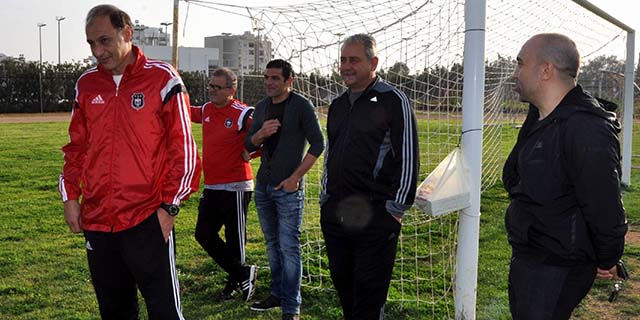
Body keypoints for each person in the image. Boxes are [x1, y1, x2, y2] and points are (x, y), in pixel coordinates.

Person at [58, 4, 201, 320]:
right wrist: (70, 198)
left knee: (164, 312)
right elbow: (75, 149)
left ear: (127, 33)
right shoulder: (86, 84)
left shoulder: (162, 79)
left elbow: (184, 150)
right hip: (97, 222)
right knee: (115, 312)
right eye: (91, 44)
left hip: (146, 219)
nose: (98, 51)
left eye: (105, 41)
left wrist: (169, 208)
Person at [503, 33, 628, 319]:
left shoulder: (585, 129)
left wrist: (608, 256)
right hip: (533, 257)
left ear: (545, 70)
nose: (515, 73)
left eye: (520, 64)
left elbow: (603, 203)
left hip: (556, 266)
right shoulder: (540, 116)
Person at [320, 33, 419, 319]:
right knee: (346, 294)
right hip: (336, 213)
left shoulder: (393, 100)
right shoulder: (338, 105)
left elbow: (408, 156)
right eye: (342, 60)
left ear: (373, 62)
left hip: (376, 216)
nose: (346, 66)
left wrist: (395, 208)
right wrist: (326, 198)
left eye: (354, 60)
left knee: (368, 300)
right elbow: (331, 152)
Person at [245, 59, 325, 320]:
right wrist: (261, 135)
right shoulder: (262, 107)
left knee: (289, 247)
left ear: (289, 81)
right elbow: (248, 145)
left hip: (288, 189)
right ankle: (277, 294)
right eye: (266, 77)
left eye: (275, 78)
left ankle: (291, 307)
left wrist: (296, 177)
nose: (269, 82)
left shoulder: (301, 106)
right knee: (272, 244)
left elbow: (317, 144)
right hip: (264, 187)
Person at [191, 67, 258, 302]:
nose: (211, 91)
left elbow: (265, 135)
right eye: (210, 86)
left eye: (217, 88)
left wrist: (252, 152)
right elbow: (187, 112)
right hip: (212, 186)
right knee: (203, 234)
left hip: (236, 186)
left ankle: (235, 285)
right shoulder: (207, 109)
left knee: (234, 238)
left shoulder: (243, 113)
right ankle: (242, 274)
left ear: (232, 89)